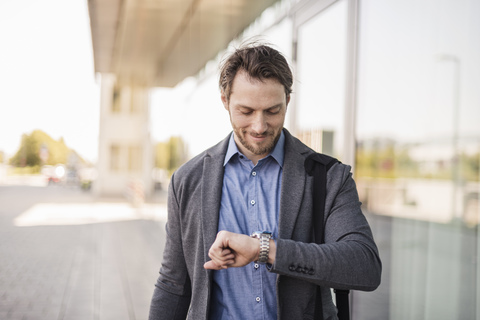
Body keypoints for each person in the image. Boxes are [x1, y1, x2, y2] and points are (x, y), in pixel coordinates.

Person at [149, 43, 381, 320]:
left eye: (272, 111)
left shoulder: (329, 176)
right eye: (246, 111)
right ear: (225, 100)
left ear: (288, 101)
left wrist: (266, 250)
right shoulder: (187, 180)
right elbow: (173, 285)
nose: (259, 126)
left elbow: (364, 266)